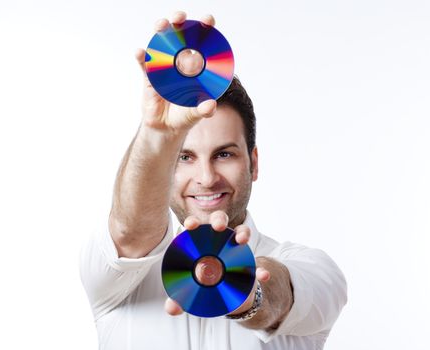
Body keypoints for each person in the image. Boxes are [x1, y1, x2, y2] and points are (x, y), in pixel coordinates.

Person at [80, 11, 347, 350]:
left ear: (253, 163)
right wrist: (157, 135)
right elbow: (132, 233)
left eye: (224, 154)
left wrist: (242, 285)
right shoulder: (114, 277)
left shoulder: (313, 268)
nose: (206, 178)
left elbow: (281, 295)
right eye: (184, 156)